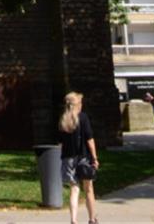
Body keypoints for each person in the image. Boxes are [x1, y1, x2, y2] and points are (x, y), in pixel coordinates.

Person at [59, 91, 99, 224]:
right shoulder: (83, 118)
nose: (82, 105)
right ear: (77, 105)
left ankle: (73, 220)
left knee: (74, 190)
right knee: (89, 189)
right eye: (80, 102)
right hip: (83, 158)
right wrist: (94, 157)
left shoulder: (64, 120)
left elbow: (61, 142)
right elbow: (90, 140)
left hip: (68, 158)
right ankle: (92, 219)